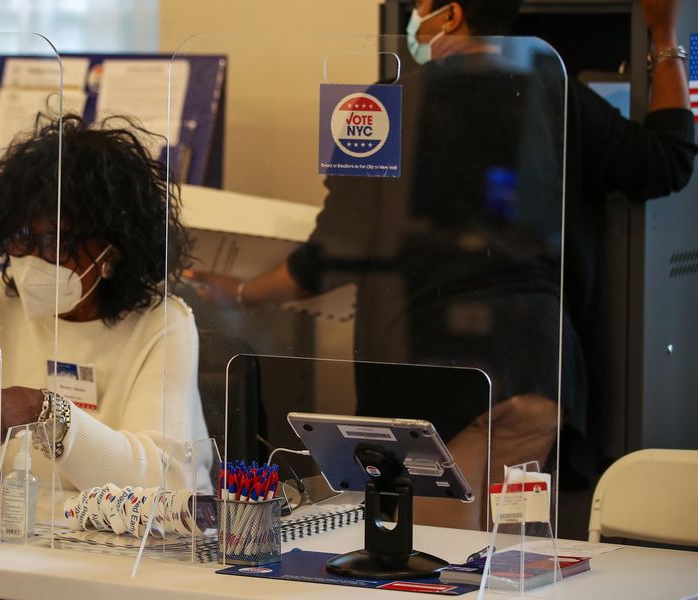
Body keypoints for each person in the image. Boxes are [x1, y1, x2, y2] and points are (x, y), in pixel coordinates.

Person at [189, 0, 695, 527]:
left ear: (450, 15)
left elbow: (332, 256)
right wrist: (665, 35)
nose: (412, 17)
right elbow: (668, 160)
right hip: (537, 368)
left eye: (420, 6)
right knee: (507, 561)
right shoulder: (554, 89)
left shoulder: (384, 106)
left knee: (438, 561)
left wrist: (243, 292)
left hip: (431, 374)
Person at [0, 115, 209, 496]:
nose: (34, 260)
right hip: (30, 537)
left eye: (57, 243)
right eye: (21, 238)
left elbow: (156, 481)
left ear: (112, 253)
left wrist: (45, 412)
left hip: (141, 547)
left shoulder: (163, 324)